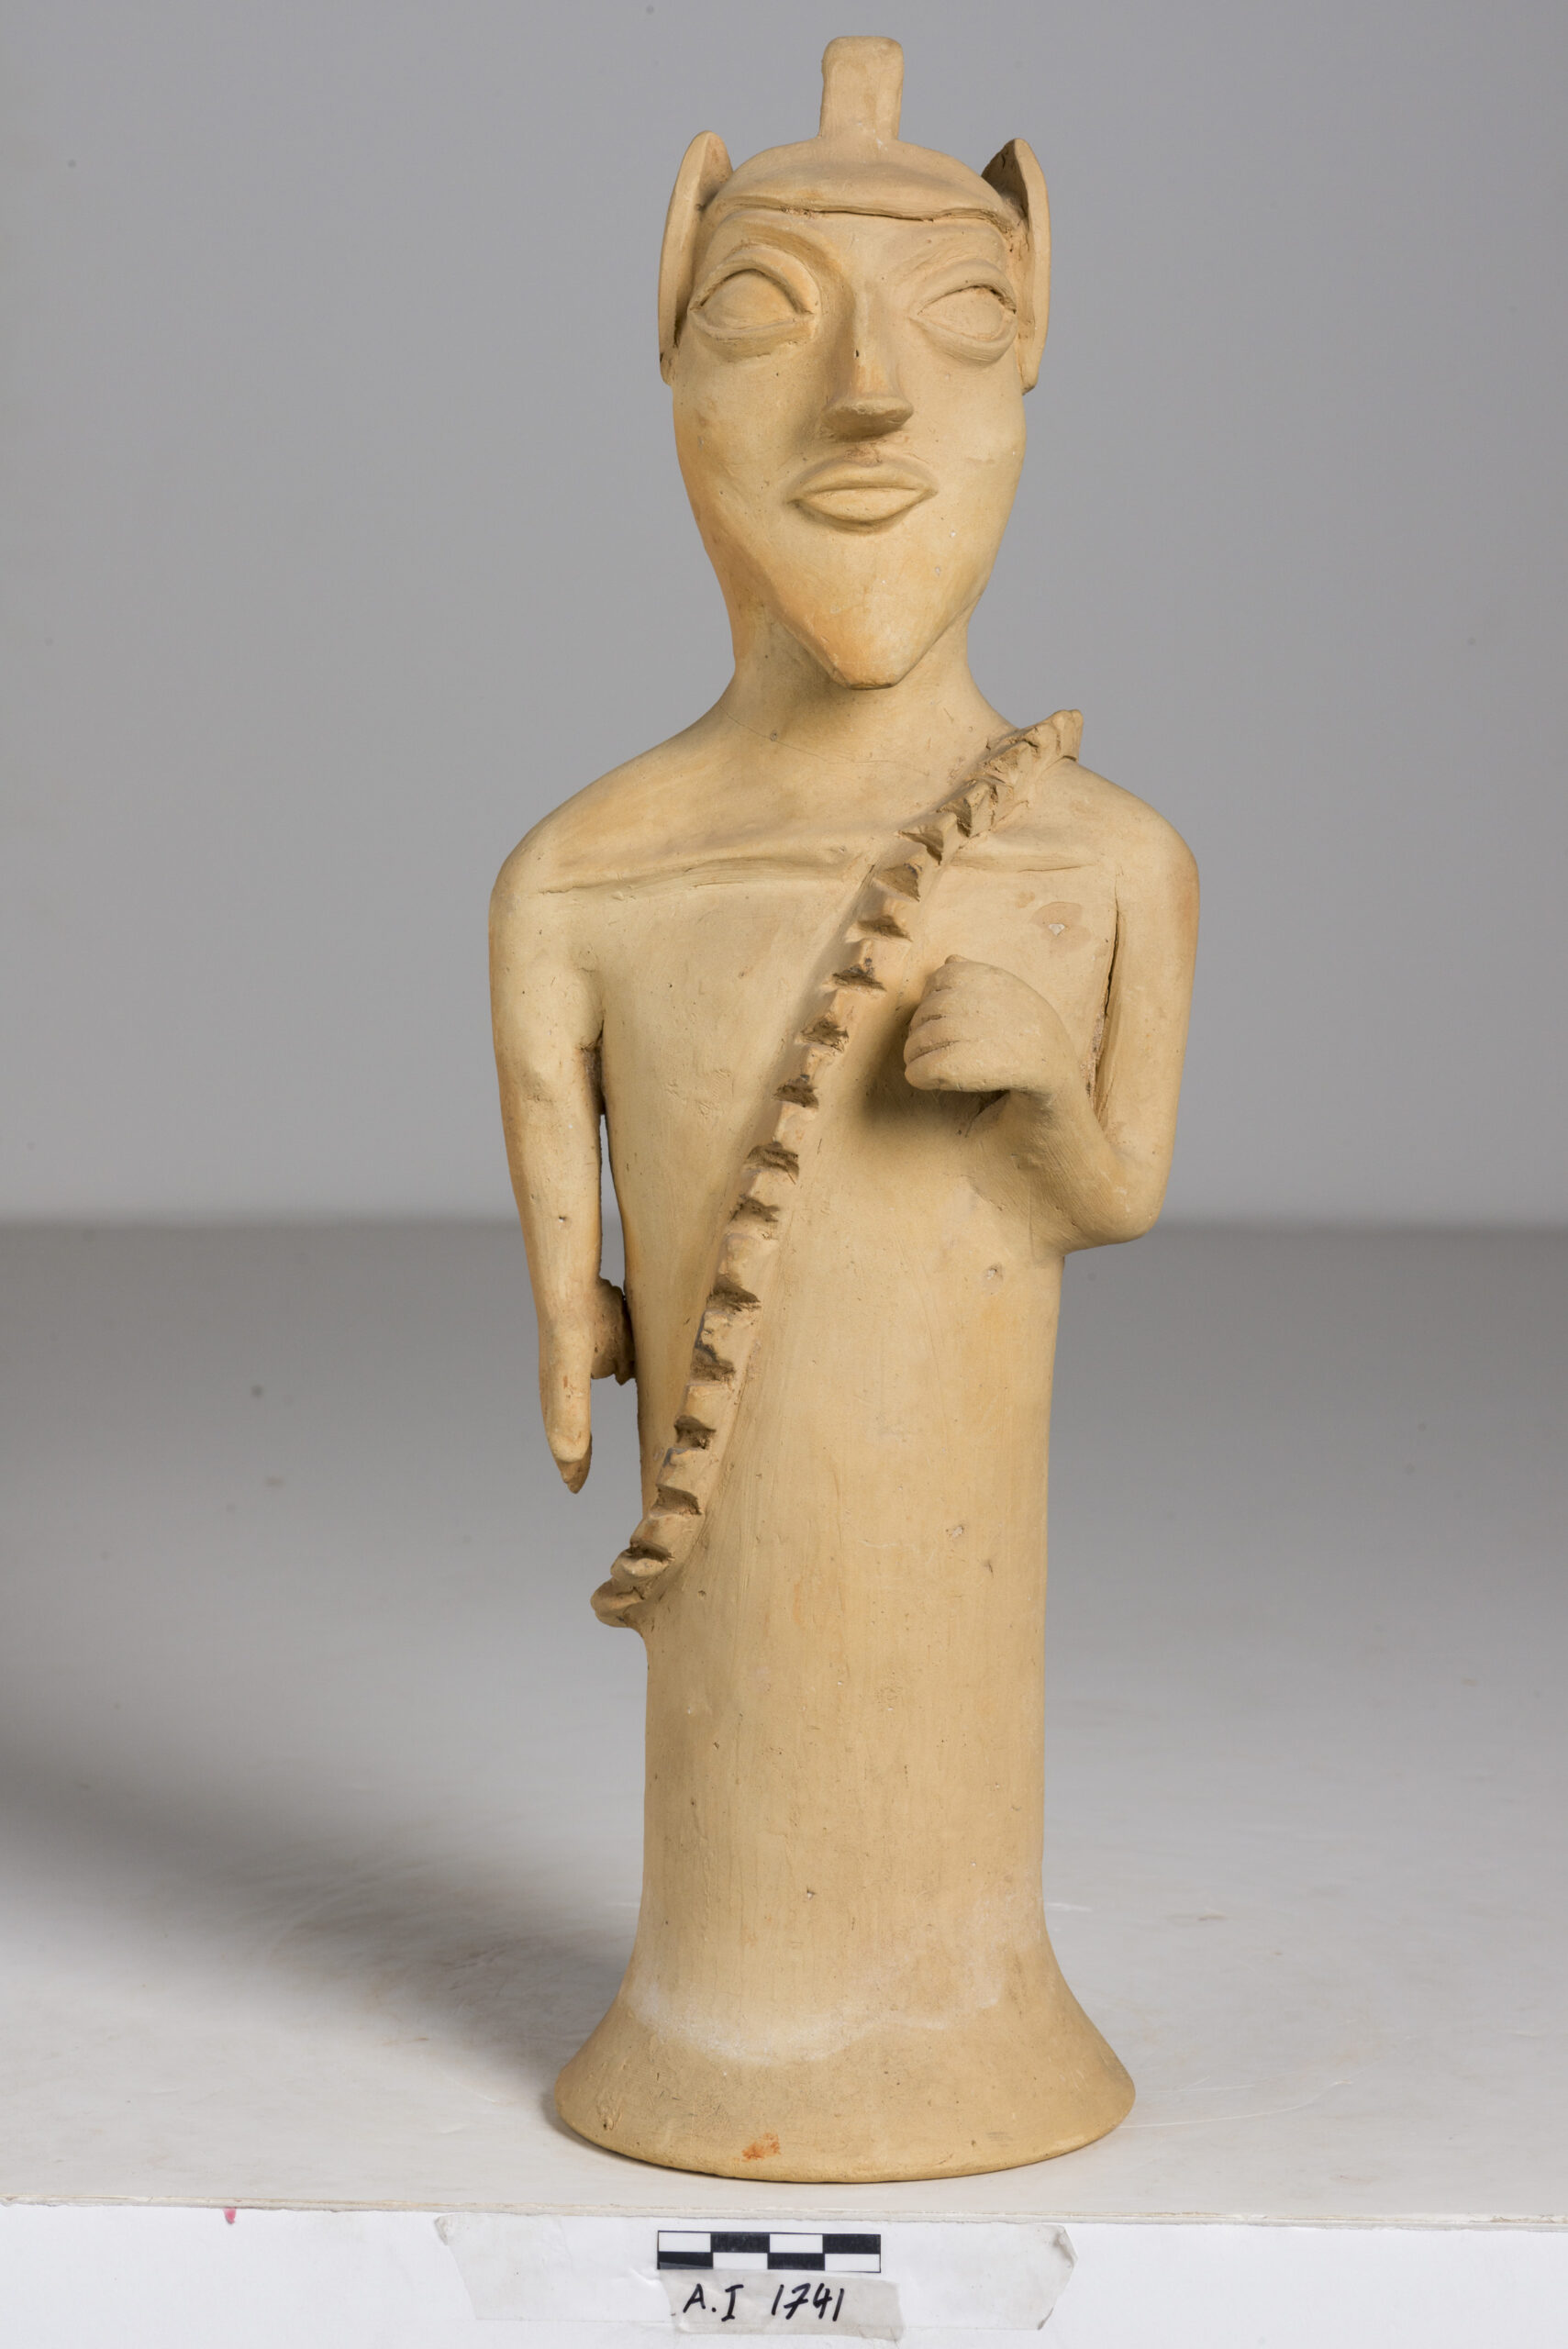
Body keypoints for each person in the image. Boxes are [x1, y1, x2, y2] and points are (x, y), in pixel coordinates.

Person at [490, 38, 1197, 2182]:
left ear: (1032, 364)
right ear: (670, 372)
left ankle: (958, 2016)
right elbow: (576, 1332)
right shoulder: (579, 880)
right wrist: (580, 1326)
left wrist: (1038, 1083)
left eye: (957, 322)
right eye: (767, 316)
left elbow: (1118, 1193)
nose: (871, 400)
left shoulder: (1109, 864)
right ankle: (719, 2012)